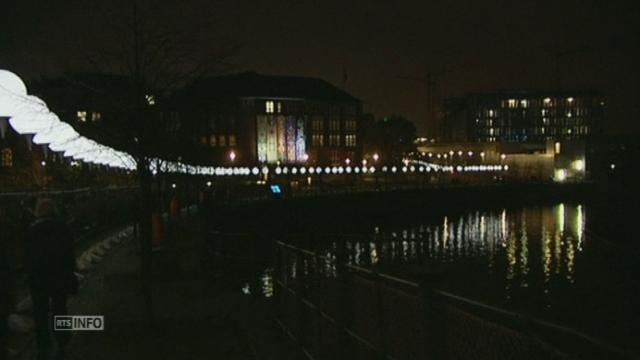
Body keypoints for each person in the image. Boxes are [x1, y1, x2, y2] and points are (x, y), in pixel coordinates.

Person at [24, 199, 77, 360]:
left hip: (38, 279)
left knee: (40, 313)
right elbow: (69, 254)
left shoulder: (31, 231)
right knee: (60, 309)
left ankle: (43, 346)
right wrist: (70, 274)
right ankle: (62, 341)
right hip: (58, 276)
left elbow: (26, 258)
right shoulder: (63, 228)